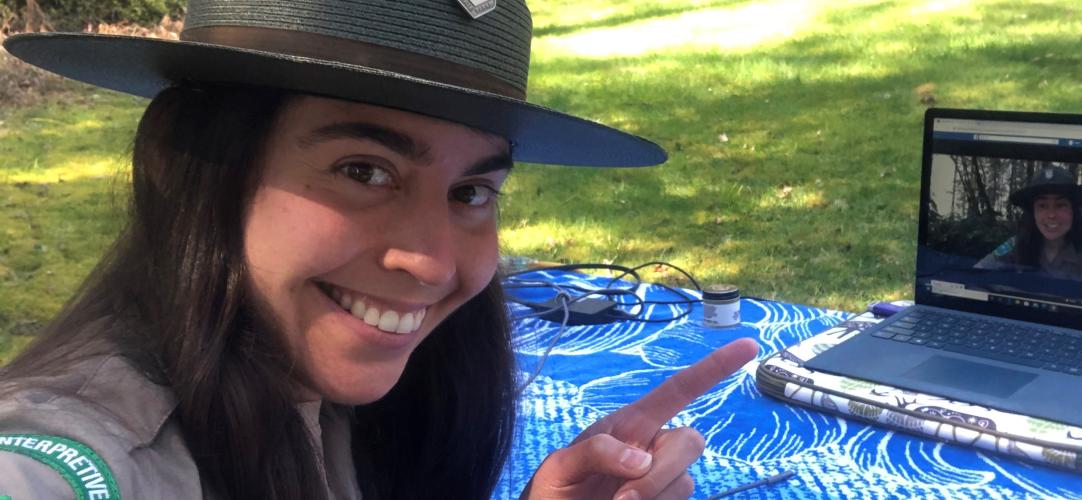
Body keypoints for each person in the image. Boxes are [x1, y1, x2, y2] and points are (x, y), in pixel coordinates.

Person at [0, 1, 759, 498]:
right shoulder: (70, 462)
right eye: (364, 171)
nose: (432, 264)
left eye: (471, 193)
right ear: (192, 171)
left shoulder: (316, 384)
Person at [975, 165, 1082, 286]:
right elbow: (975, 276)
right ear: (1033, 212)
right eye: (1042, 206)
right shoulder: (1016, 246)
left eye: (1060, 205)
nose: (1051, 215)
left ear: (1073, 211)